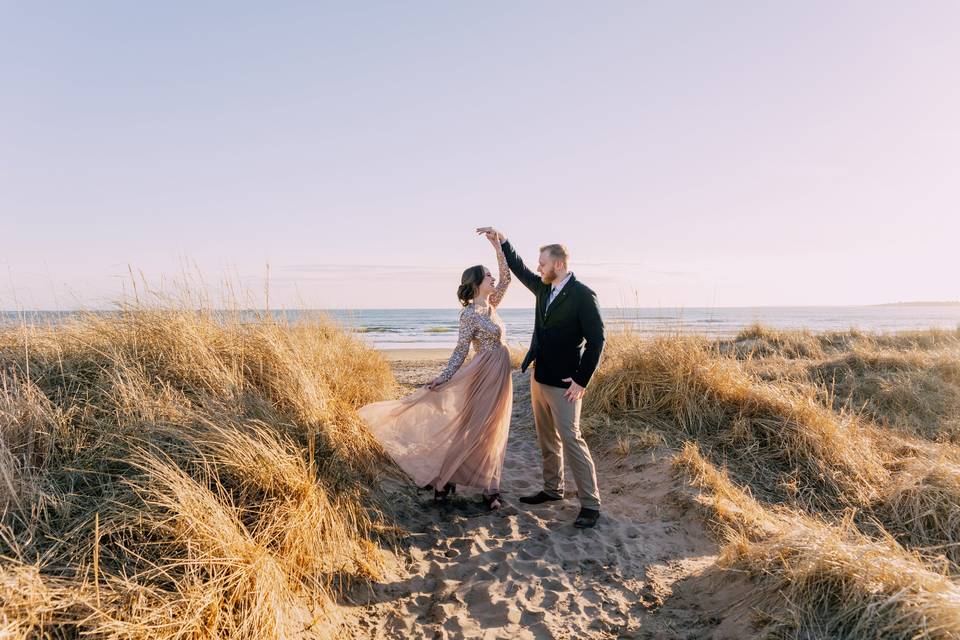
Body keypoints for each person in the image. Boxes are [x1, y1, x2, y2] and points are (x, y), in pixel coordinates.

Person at [358, 230, 513, 510]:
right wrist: (444, 377)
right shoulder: (469, 315)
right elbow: (460, 351)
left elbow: (507, 277)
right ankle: (445, 481)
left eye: (491, 275)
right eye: (487, 276)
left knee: (495, 429)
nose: (492, 279)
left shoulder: (492, 304)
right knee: (473, 427)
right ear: (477, 283)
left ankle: (491, 489)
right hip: (483, 376)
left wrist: (497, 245)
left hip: (502, 375)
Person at [477, 227, 604, 528]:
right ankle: (552, 489)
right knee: (547, 438)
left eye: (543, 263)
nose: (538, 267)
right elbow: (519, 269)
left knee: (571, 439)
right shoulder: (544, 288)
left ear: (558, 265)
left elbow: (597, 341)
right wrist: (503, 242)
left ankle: (591, 503)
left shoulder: (583, 296)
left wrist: (581, 380)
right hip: (539, 376)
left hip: (566, 384)